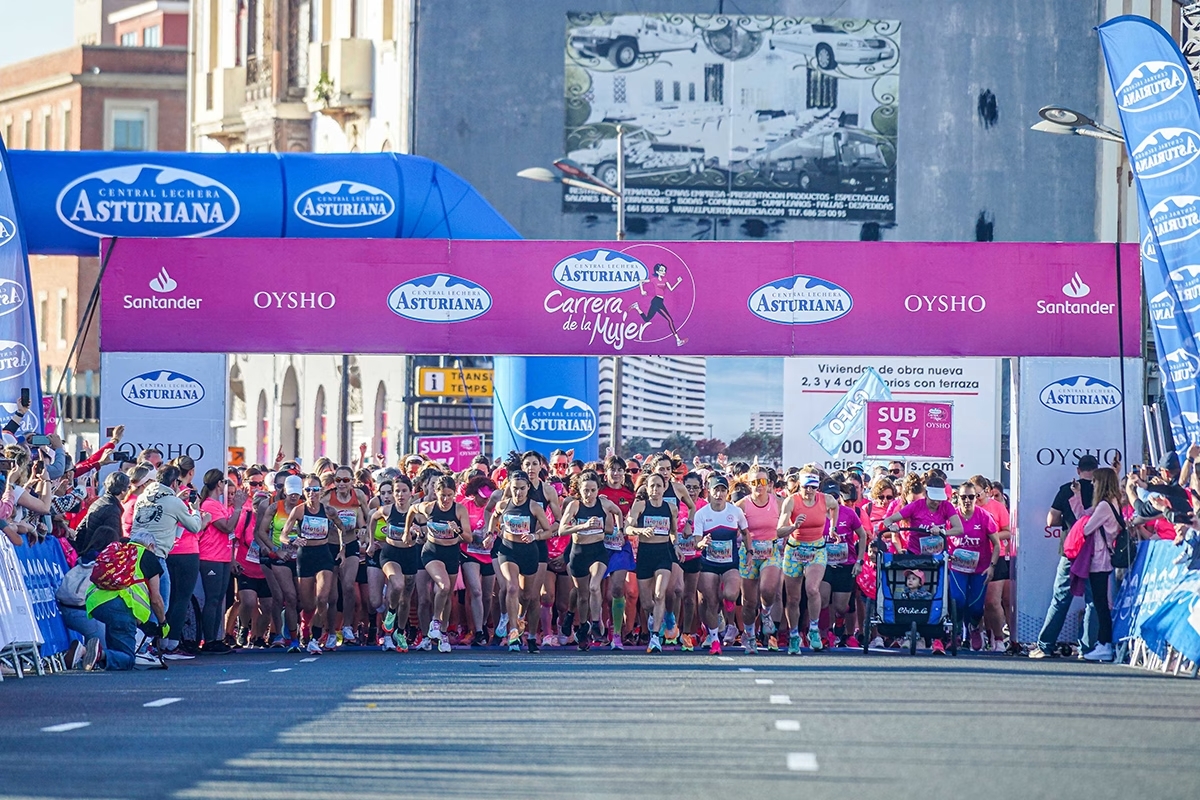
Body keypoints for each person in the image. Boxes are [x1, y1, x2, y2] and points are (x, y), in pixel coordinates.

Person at [132, 465, 209, 660]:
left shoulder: (142, 498)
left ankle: (141, 643)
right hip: (155, 556)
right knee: (160, 603)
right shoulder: (173, 502)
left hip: (134, 554)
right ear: (174, 483)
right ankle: (144, 646)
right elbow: (194, 526)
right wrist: (196, 509)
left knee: (140, 601)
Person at [1030, 455, 1099, 659]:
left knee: (1060, 598)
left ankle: (1045, 646)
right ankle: (1088, 648)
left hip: (1071, 548)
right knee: (1093, 600)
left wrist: (1067, 524)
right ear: (1095, 470)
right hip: (1095, 549)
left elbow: (1051, 520)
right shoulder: (1102, 490)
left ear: (1078, 470)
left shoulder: (1067, 489)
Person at [283, 473, 345, 655]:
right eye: (308, 490)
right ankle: (305, 628)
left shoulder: (328, 511)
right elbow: (283, 535)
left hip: (324, 555)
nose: (312, 493)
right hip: (305, 556)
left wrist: (342, 550)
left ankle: (315, 638)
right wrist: (293, 540)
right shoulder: (299, 511)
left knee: (323, 599)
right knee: (308, 604)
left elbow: (342, 528)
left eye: (315, 490)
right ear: (304, 491)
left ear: (321, 491)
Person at [85, 535, 168, 671]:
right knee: (128, 660)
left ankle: (95, 656)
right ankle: (88, 653)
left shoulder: (120, 550)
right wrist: (163, 622)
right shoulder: (147, 555)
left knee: (116, 649)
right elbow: (156, 599)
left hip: (96, 603)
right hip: (121, 606)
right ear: (151, 546)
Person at [491, 470, 552, 652]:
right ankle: (514, 632)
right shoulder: (503, 504)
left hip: (529, 552)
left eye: (522, 489)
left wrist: (534, 536)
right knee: (511, 587)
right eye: (515, 488)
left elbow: (548, 530)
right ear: (509, 487)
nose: (518, 493)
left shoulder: (534, 507)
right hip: (508, 550)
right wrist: (491, 532)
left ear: (527, 488)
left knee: (528, 596)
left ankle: (525, 626)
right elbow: (494, 516)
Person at [410, 474, 473, 652]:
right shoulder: (428, 507)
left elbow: (468, 537)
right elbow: (411, 511)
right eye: (442, 495)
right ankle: (428, 632)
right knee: (425, 598)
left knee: (446, 595)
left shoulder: (459, 510)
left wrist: (457, 530)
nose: (445, 499)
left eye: (449, 495)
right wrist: (408, 532)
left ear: (454, 494)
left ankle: (442, 633)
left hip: (451, 554)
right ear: (434, 491)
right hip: (430, 553)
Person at [561, 470, 621, 650]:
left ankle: (596, 623)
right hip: (578, 552)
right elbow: (562, 530)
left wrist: (620, 531)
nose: (589, 494)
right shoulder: (574, 505)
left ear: (598, 490)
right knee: (582, 594)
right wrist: (583, 526)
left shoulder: (603, 503)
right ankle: (581, 625)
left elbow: (617, 511)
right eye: (586, 490)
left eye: (593, 490)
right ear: (580, 490)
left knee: (594, 586)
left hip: (597, 551)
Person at [1068, 467, 1124, 663]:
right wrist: (1076, 495)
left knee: (1100, 604)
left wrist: (1082, 524)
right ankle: (1103, 643)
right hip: (1103, 558)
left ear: (1102, 483)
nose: (1092, 484)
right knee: (1100, 602)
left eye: (1095, 481)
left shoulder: (1104, 506)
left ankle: (1104, 644)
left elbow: (1086, 527)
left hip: (1099, 559)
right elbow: (1082, 515)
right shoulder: (1111, 503)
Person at [693, 474, 747, 655]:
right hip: (709, 563)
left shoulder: (735, 512)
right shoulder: (702, 514)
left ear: (727, 492)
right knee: (711, 601)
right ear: (709, 491)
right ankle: (715, 639)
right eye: (716, 489)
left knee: (730, 594)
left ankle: (728, 602)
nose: (719, 493)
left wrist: (750, 552)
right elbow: (696, 541)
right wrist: (702, 543)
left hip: (730, 562)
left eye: (723, 490)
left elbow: (746, 533)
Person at [627, 472, 677, 653]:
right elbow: (628, 527)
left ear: (664, 488)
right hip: (645, 555)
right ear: (646, 489)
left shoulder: (671, 508)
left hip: (664, 554)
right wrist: (640, 530)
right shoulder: (640, 506)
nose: (655, 489)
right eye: (651, 486)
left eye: (658, 486)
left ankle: (654, 636)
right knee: (647, 602)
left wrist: (676, 546)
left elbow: (673, 532)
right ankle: (652, 618)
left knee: (659, 594)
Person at [736, 465, 782, 654]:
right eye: (754, 482)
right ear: (749, 484)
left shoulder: (779, 502)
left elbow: (793, 520)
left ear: (769, 484)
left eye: (762, 482)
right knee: (748, 602)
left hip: (771, 551)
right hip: (748, 553)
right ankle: (749, 635)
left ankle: (766, 613)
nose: (759, 486)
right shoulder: (742, 505)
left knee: (768, 588)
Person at [197, 469, 245, 653]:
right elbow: (226, 527)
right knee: (213, 599)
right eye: (224, 483)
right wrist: (238, 508)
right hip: (210, 557)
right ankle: (209, 640)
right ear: (218, 484)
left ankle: (215, 638)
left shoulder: (219, 505)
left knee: (220, 599)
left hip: (223, 557)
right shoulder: (209, 504)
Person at [948, 485, 1000, 650]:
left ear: (976, 497)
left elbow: (997, 544)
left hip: (980, 568)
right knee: (958, 600)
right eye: (964, 497)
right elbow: (941, 537)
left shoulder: (984, 516)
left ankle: (974, 627)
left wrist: (992, 567)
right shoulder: (952, 516)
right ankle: (955, 633)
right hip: (957, 567)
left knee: (976, 607)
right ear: (958, 497)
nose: (967, 501)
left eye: (971, 497)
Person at [375, 475, 419, 652]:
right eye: (397, 491)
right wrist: (371, 542)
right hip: (390, 553)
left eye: (404, 491)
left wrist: (418, 532)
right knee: (397, 584)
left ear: (411, 493)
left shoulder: (417, 511)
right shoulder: (387, 510)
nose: (400, 495)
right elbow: (371, 518)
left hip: (410, 554)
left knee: (406, 597)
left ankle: (400, 632)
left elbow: (424, 530)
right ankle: (391, 613)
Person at [460, 474, 497, 647]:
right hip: (470, 553)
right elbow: (460, 530)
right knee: (476, 591)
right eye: (483, 498)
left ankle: (482, 624)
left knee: (488, 596)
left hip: (489, 554)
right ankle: (479, 632)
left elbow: (500, 527)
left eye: (488, 498)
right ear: (473, 494)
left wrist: (492, 535)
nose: (485, 501)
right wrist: (471, 536)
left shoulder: (495, 507)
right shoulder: (464, 506)